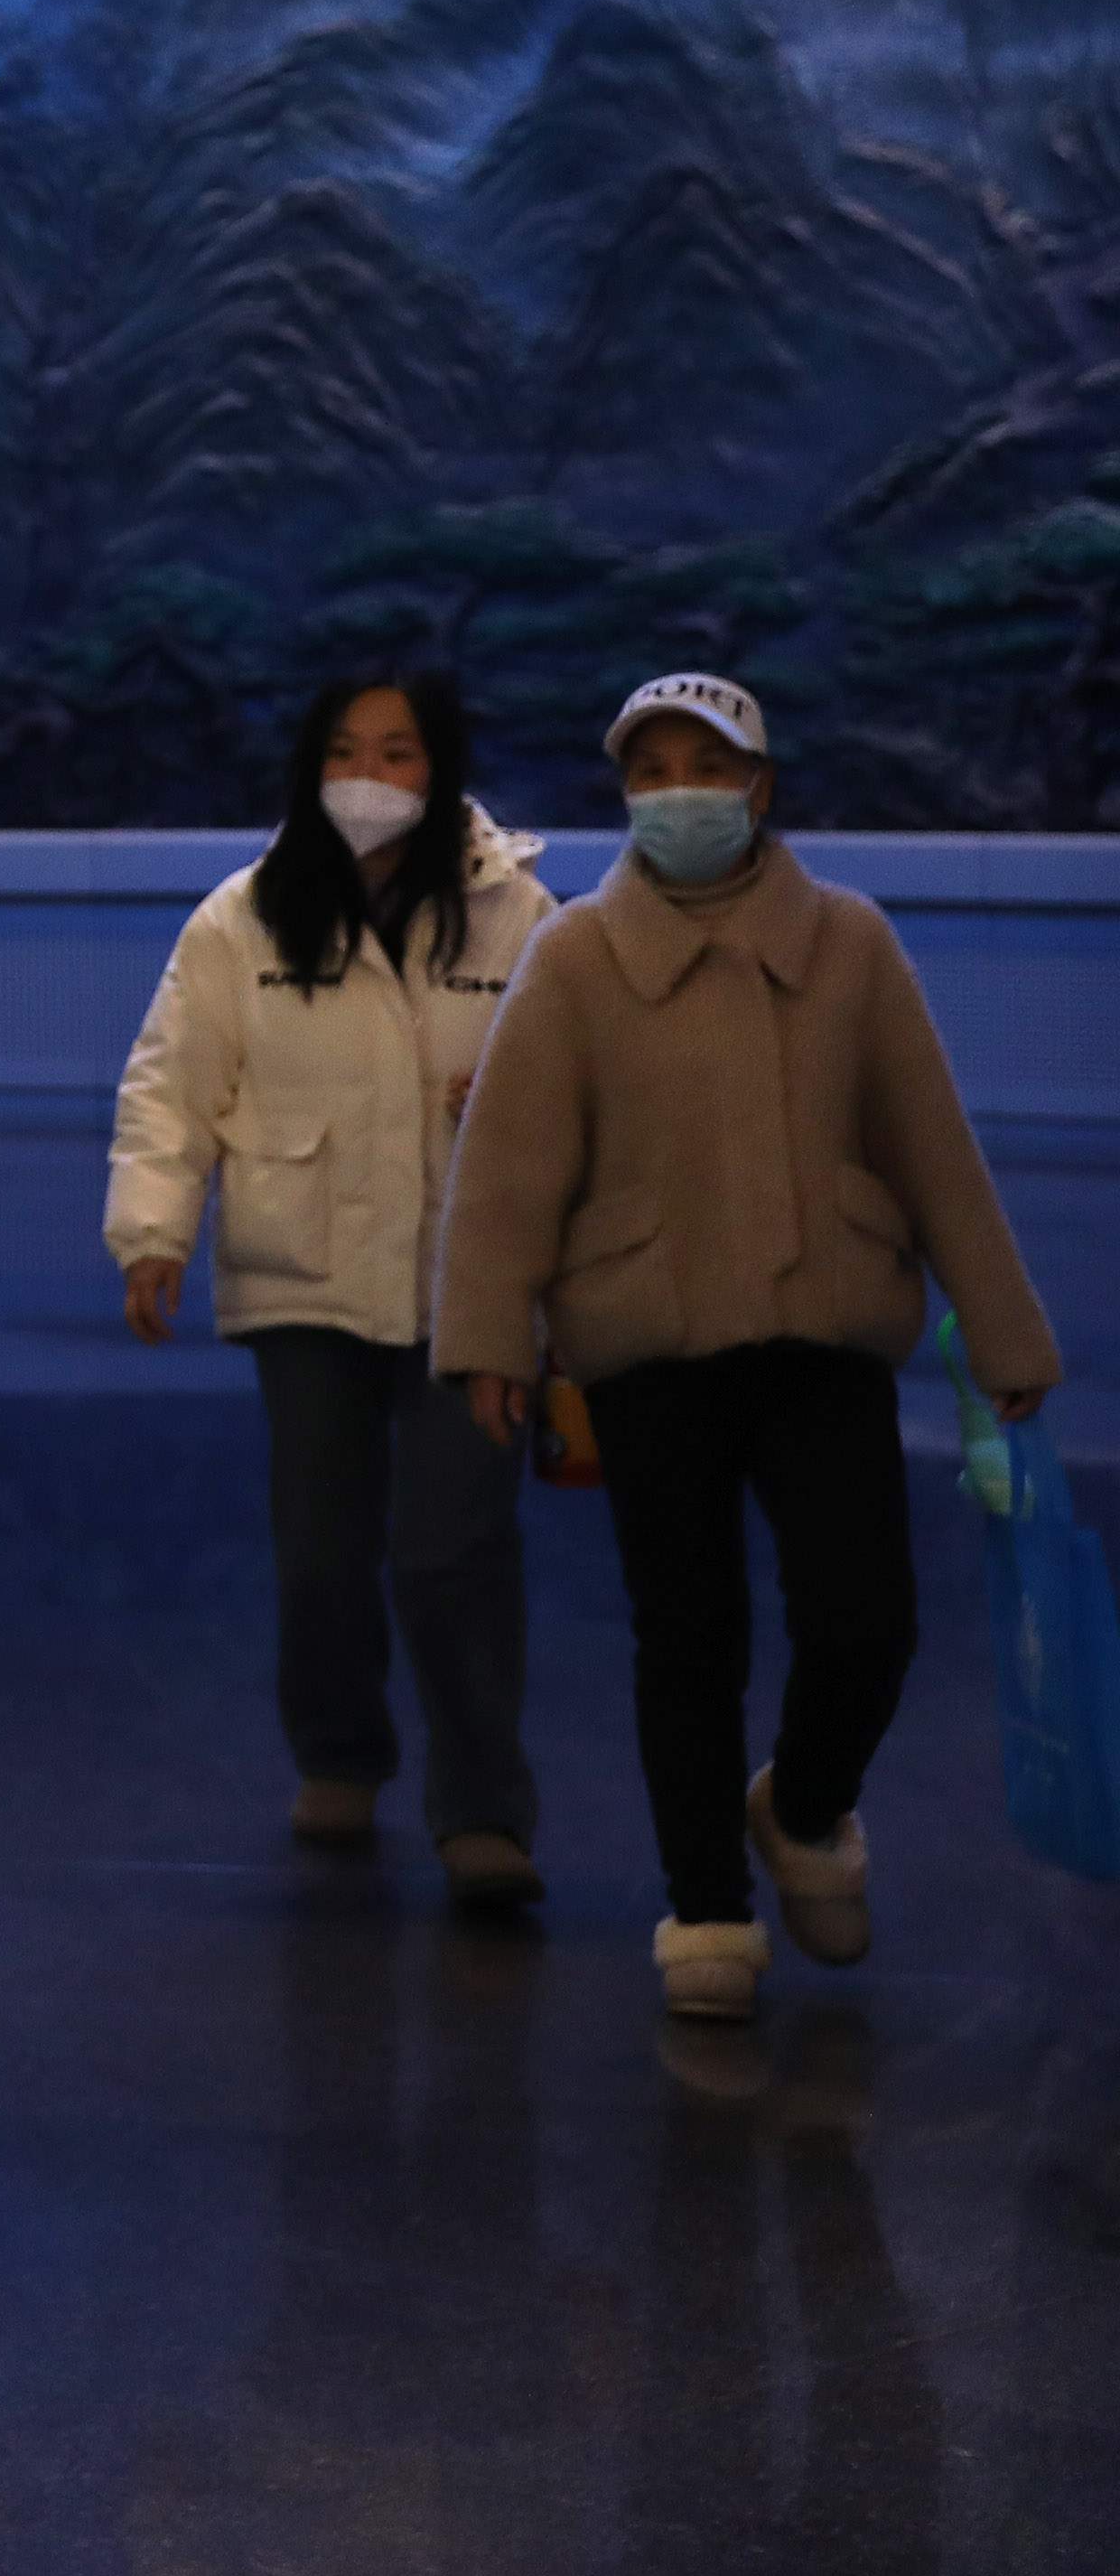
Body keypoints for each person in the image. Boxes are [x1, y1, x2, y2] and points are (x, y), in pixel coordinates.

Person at [435, 674, 1060, 2024]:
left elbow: (933, 1149)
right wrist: (490, 1336)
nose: (679, 795)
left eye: (706, 769)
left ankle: (807, 1806)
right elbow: (509, 1166)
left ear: (760, 787)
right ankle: (707, 1906)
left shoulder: (851, 944)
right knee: (688, 1634)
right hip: (646, 1336)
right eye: (651, 772)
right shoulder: (577, 957)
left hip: (824, 1326)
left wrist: (1006, 1328)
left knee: (867, 1620)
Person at [104, 670, 555, 1908]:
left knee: (456, 1550)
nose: (370, 776)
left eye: (398, 751)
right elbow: (171, 1085)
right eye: (347, 750)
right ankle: (341, 1755)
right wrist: (152, 1232)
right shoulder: (242, 918)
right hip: (301, 1273)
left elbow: (578, 1083)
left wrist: (511, 1101)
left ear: (440, 766)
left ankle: (483, 1813)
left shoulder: (518, 914)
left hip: (469, 1280)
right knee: (320, 1552)